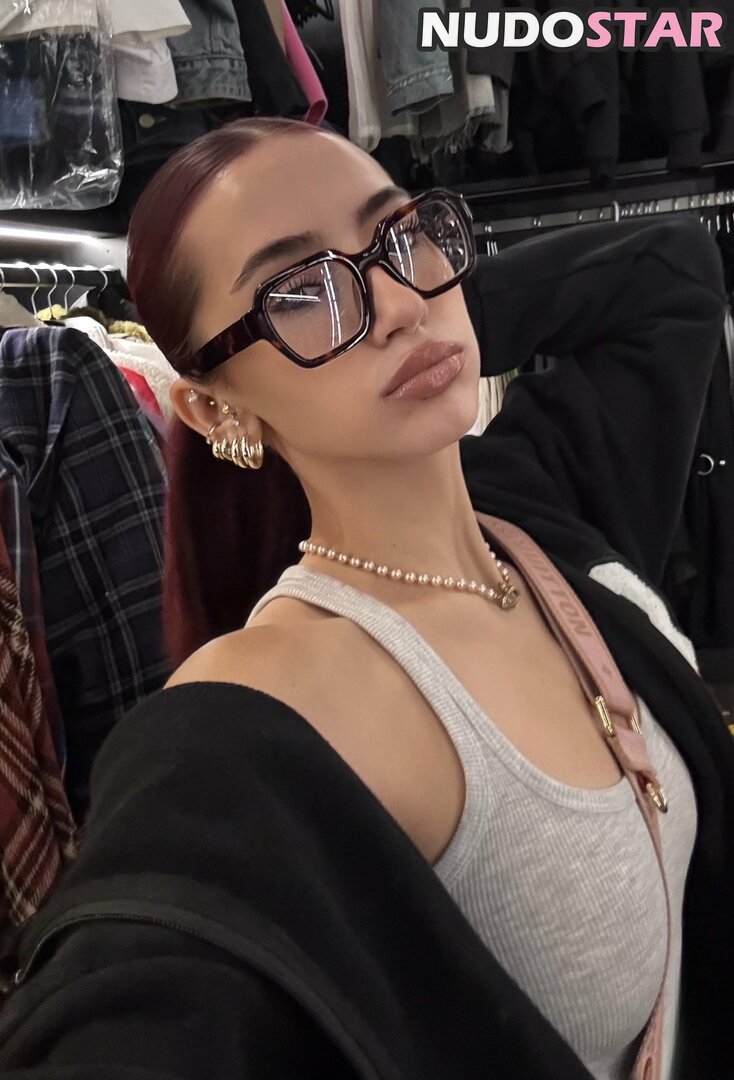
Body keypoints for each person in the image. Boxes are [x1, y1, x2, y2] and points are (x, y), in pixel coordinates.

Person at [0, 117, 732, 1080]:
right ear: (213, 407)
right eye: (299, 291)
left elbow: (671, 271)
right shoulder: (271, 704)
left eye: (402, 233)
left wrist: (434, 318)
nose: (396, 300)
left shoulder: (538, 505)